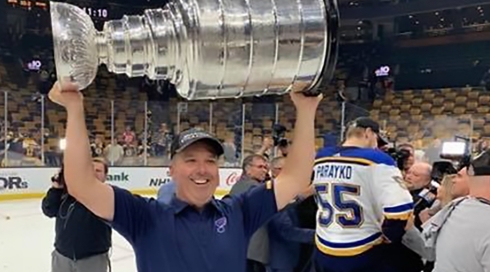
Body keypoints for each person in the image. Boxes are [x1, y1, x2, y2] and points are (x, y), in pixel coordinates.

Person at [48, 80, 321, 272]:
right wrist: (74, 108)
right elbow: (82, 184)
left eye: (210, 161)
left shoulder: (240, 211)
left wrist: (307, 111)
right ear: (172, 170)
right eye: (191, 160)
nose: (202, 169)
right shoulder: (145, 217)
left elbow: (296, 178)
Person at [312, 117, 414, 272]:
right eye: (377, 140)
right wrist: (389, 236)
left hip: (324, 245)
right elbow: (399, 210)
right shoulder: (378, 159)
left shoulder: (321, 157)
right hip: (363, 249)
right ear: (368, 133)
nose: (377, 146)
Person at [41, 157, 113, 272]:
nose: (93, 173)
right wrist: (56, 189)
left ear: (105, 177)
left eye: (98, 171)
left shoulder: (109, 196)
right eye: (90, 170)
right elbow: (49, 210)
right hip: (62, 257)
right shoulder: (68, 194)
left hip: (93, 260)